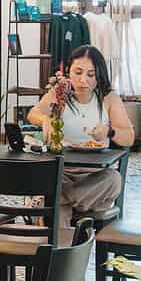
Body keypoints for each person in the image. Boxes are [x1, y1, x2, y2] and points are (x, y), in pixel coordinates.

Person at [27, 45, 135, 226]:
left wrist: (109, 132)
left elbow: (129, 136)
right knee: (58, 209)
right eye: (77, 72)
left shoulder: (108, 99)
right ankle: (60, 209)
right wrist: (44, 119)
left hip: (95, 176)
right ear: (69, 71)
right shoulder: (59, 93)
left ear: (99, 76)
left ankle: (53, 200)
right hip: (63, 171)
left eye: (90, 75)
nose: (82, 80)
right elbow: (33, 114)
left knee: (114, 180)